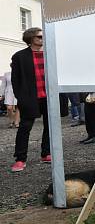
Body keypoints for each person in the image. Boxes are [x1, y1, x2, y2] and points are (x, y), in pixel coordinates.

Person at [10, 28, 50, 172]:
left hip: (48, 97)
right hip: (30, 98)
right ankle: (20, 159)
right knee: (25, 127)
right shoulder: (19, 56)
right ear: (31, 38)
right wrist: (21, 97)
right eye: (39, 36)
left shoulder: (49, 54)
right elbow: (15, 80)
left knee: (50, 126)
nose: (42, 38)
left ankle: (46, 153)